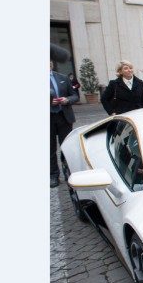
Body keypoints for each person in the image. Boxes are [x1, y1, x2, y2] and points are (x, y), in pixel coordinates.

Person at [50, 60, 79, 188]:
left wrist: (67, 100)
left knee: (67, 147)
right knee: (49, 149)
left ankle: (69, 173)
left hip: (64, 117)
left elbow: (75, 96)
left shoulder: (62, 78)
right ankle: (53, 175)